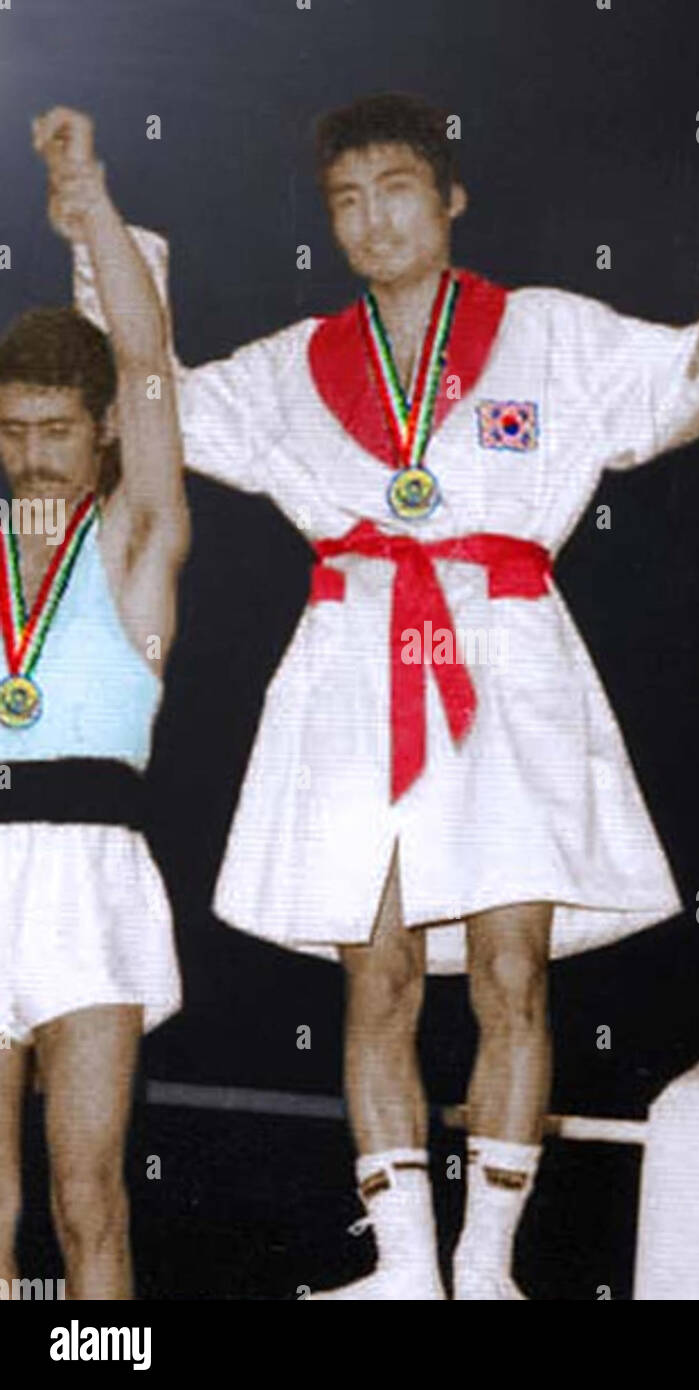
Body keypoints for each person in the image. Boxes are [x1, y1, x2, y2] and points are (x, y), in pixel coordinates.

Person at [70, 81, 699, 1299]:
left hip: (508, 657)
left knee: (513, 968)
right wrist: (98, 239)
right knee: (380, 974)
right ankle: (405, 1268)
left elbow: (685, 383)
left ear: (450, 197)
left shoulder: (552, 333)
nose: (372, 221)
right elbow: (159, 393)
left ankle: (490, 1263)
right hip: (355, 660)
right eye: (346, 201)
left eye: (396, 190)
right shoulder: (297, 365)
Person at [0, 112, 189, 1300]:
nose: (32, 457)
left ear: (103, 430)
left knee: (88, 1200)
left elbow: (151, 357)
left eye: (56, 431)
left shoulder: (134, 541)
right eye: (12, 433)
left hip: (87, 883)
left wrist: (87, 193)